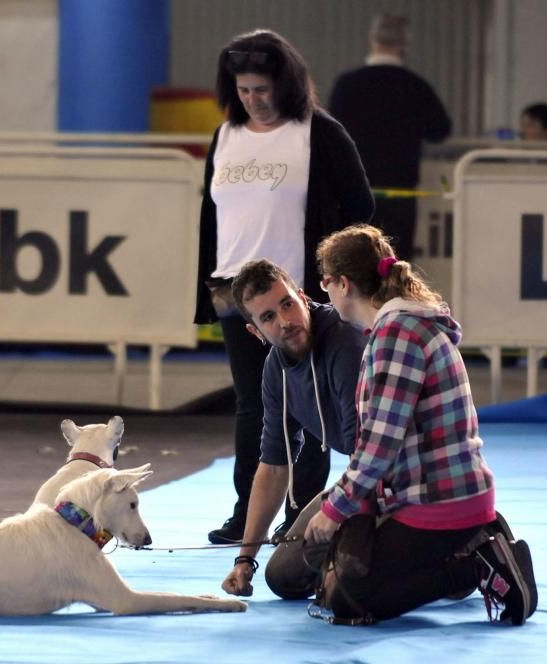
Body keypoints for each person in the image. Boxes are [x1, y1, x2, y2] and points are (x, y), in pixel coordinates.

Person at [297, 224, 537, 625]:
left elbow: (379, 445)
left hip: (439, 501)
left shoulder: (397, 334)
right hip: (431, 495)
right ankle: (470, 547)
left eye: (325, 284)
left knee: (355, 598)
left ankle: (478, 564)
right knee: (339, 582)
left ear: (341, 284)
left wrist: (335, 509)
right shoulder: (400, 326)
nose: (326, 293)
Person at [194, 29, 374, 545]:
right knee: (253, 404)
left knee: (310, 404)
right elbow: (212, 214)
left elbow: (361, 206)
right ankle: (244, 513)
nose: (253, 99)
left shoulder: (319, 132)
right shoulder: (224, 135)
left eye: (262, 89)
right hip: (235, 293)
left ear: (287, 84)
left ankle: (301, 514)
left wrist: (327, 268)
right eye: (244, 89)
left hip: (299, 294)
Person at [217, 259, 365, 600]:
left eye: (288, 304)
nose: (285, 322)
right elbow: (273, 466)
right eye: (268, 317)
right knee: (283, 577)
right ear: (256, 332)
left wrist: (334, 512)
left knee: (356, 580)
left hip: (407, 475)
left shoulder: (347, 343)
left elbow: (370, 457)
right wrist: (245, 560)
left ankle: (465, 550)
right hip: (367, 479)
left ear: (302, 297)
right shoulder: (274, 371)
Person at [328, 14, 451, 263]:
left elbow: (331, 135)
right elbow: (440, 130)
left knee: (354, 263)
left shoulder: (346, 86)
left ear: (372, 39)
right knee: (394, 263)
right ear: (405, 45)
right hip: (400, 192)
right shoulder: (416, 87)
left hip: (354, 191)